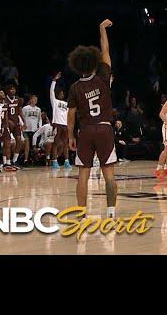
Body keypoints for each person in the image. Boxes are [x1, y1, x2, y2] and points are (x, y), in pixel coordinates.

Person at [67, 19, 117, 220]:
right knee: (109, 174)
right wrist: (101, 29)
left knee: (83, 175)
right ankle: (111, 212)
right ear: (94, 62)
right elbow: (105, 50)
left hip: (85, 130)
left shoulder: (75, 87)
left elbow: (70, 114)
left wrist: (70, 135)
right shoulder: (104, 76)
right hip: (104, 129)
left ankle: (81, 212)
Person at [50, 72, 70, 169]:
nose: (62, 94)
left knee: (66, 144)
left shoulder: (66, 104)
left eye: (63, 93)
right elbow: (51, 91)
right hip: (57, 124)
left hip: (65, 125)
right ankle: (54, 161)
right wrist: (54, 80)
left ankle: (66, 161)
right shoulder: (55, 101)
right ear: (58, 94)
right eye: (60, 93)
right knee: (56, 143)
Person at [21, 95, 42, 164]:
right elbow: (21, 117)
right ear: (30, 100)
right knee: (27, 144)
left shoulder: (38, 109)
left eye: (36, 99)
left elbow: (39, 119)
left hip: (35, 130)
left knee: (34, 146)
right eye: (33, 99)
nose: (35, 100)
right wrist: (23, 125)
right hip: (26, 130)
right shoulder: (25, 108)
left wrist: (40, 127)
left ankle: (35, 159)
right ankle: (25, 159)